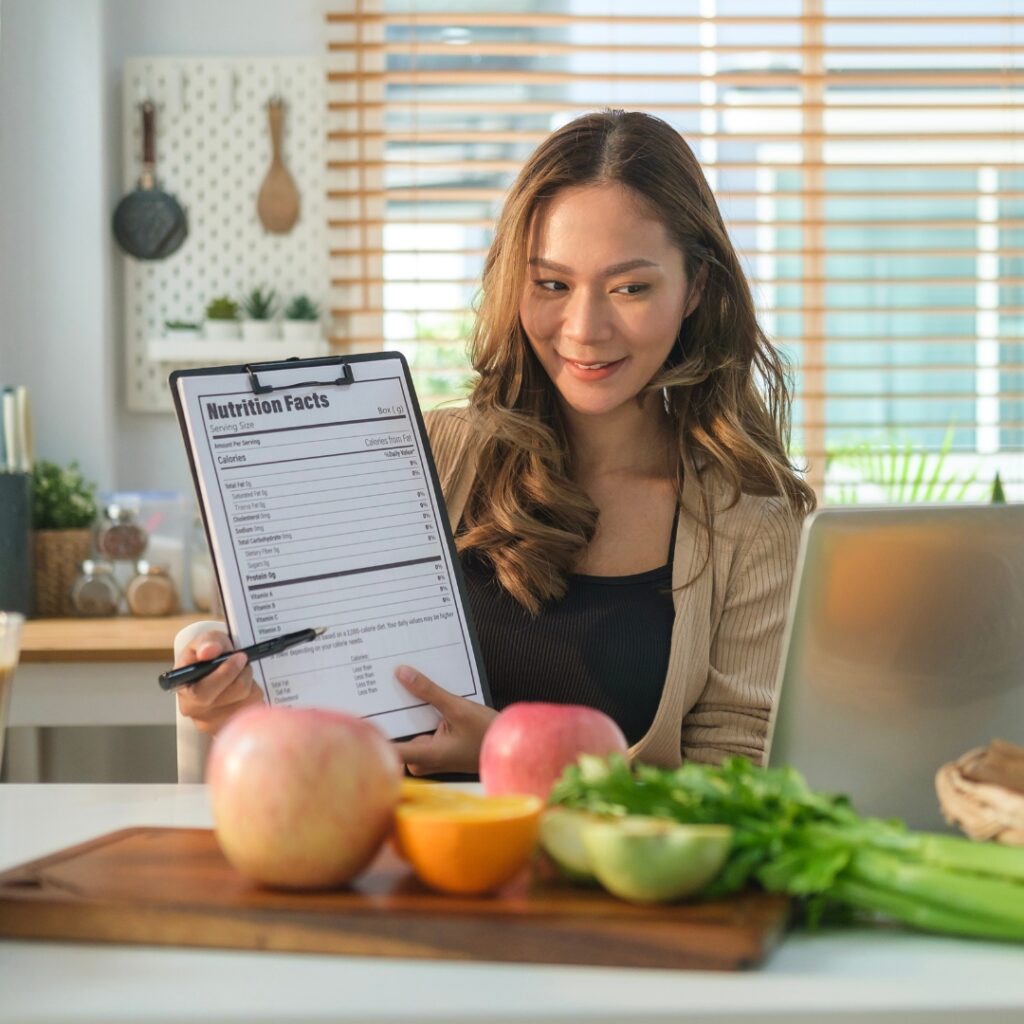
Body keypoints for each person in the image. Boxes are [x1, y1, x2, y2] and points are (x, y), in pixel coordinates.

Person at [173, 109, 816, 781]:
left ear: (696, 290)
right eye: (551, 285)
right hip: (407, 867)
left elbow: (739, 784)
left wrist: (513, 754)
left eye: (630, 287)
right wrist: (239, 686)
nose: (585, 328)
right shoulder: (427, 454)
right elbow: (320, 687)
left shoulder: (754, 518)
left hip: (599, 885)